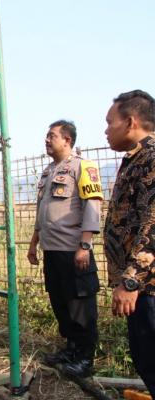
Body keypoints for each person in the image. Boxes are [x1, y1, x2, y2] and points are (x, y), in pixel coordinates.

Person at [27, 120, 102, 377]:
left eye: (52, 136)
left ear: (67, 139)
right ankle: (70, 349)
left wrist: (85, 244)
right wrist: (34, 242)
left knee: (80, 304)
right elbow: (42, 210)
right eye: (47, 136)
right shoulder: (48, 172)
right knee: (60, 300)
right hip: (52, 249)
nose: (47, 140)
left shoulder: (83, 167)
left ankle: (85, 358)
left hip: (73, 249)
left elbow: (92, 205)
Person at [104, 90, 155, 397]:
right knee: (145, 356)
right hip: (142, 287)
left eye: (110, 122)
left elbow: (154, 224)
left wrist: (131, 281)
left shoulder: (151, 158)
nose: (106, 129)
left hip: (147, 286)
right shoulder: (137, 159)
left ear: (131, 121)